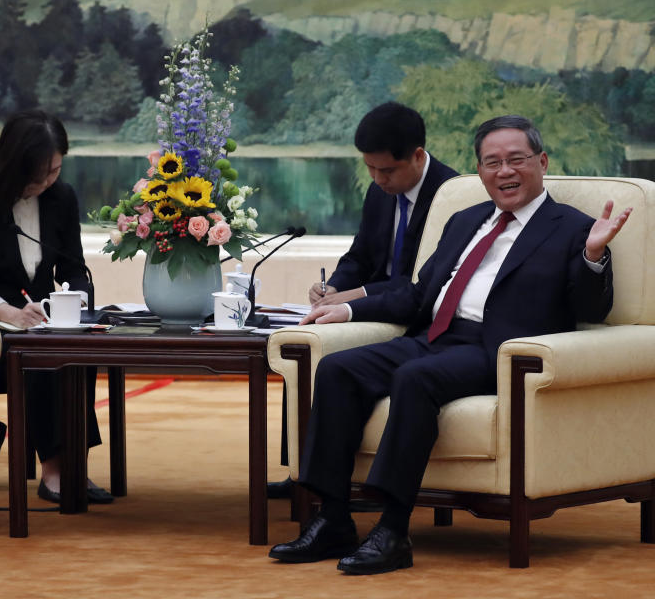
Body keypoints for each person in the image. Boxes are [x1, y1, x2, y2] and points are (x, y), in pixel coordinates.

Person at [268, 115, 632, 574]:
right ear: (479, 171)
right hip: (434, 335)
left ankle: (393, 530)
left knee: (415, 378)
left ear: (541, 162)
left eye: (517, 160)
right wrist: (348, 310)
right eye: (492, 162)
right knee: (338, 368)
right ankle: (333, 518)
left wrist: (594, 255)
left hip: (498, 350)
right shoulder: (465, 220)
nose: (505, 172)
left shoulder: (574, 228)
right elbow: (421, 295)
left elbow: (592, 310)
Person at [270, 102, 460, 500]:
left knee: (328, 344)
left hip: (414, 314)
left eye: (386, 170)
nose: (377, 179)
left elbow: (417, 284)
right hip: (370, 306)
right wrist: (332, 288)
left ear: (418, 156)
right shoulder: (379, 192)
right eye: (369, 169)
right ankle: (299, 469)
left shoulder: (453, 196)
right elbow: (360, 256)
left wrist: (354, 298)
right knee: (305, 342)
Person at [0, 109, 113, 504]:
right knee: (41, 354)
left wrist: (72, 304)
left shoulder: (62, 197)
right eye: (37, 174)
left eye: (54, 171)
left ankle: (75, 461)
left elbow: (75, 269)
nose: (45, 182)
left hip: (44, 321)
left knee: (73, 348)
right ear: (13, 165)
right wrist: (4, 311)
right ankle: (55, 472)